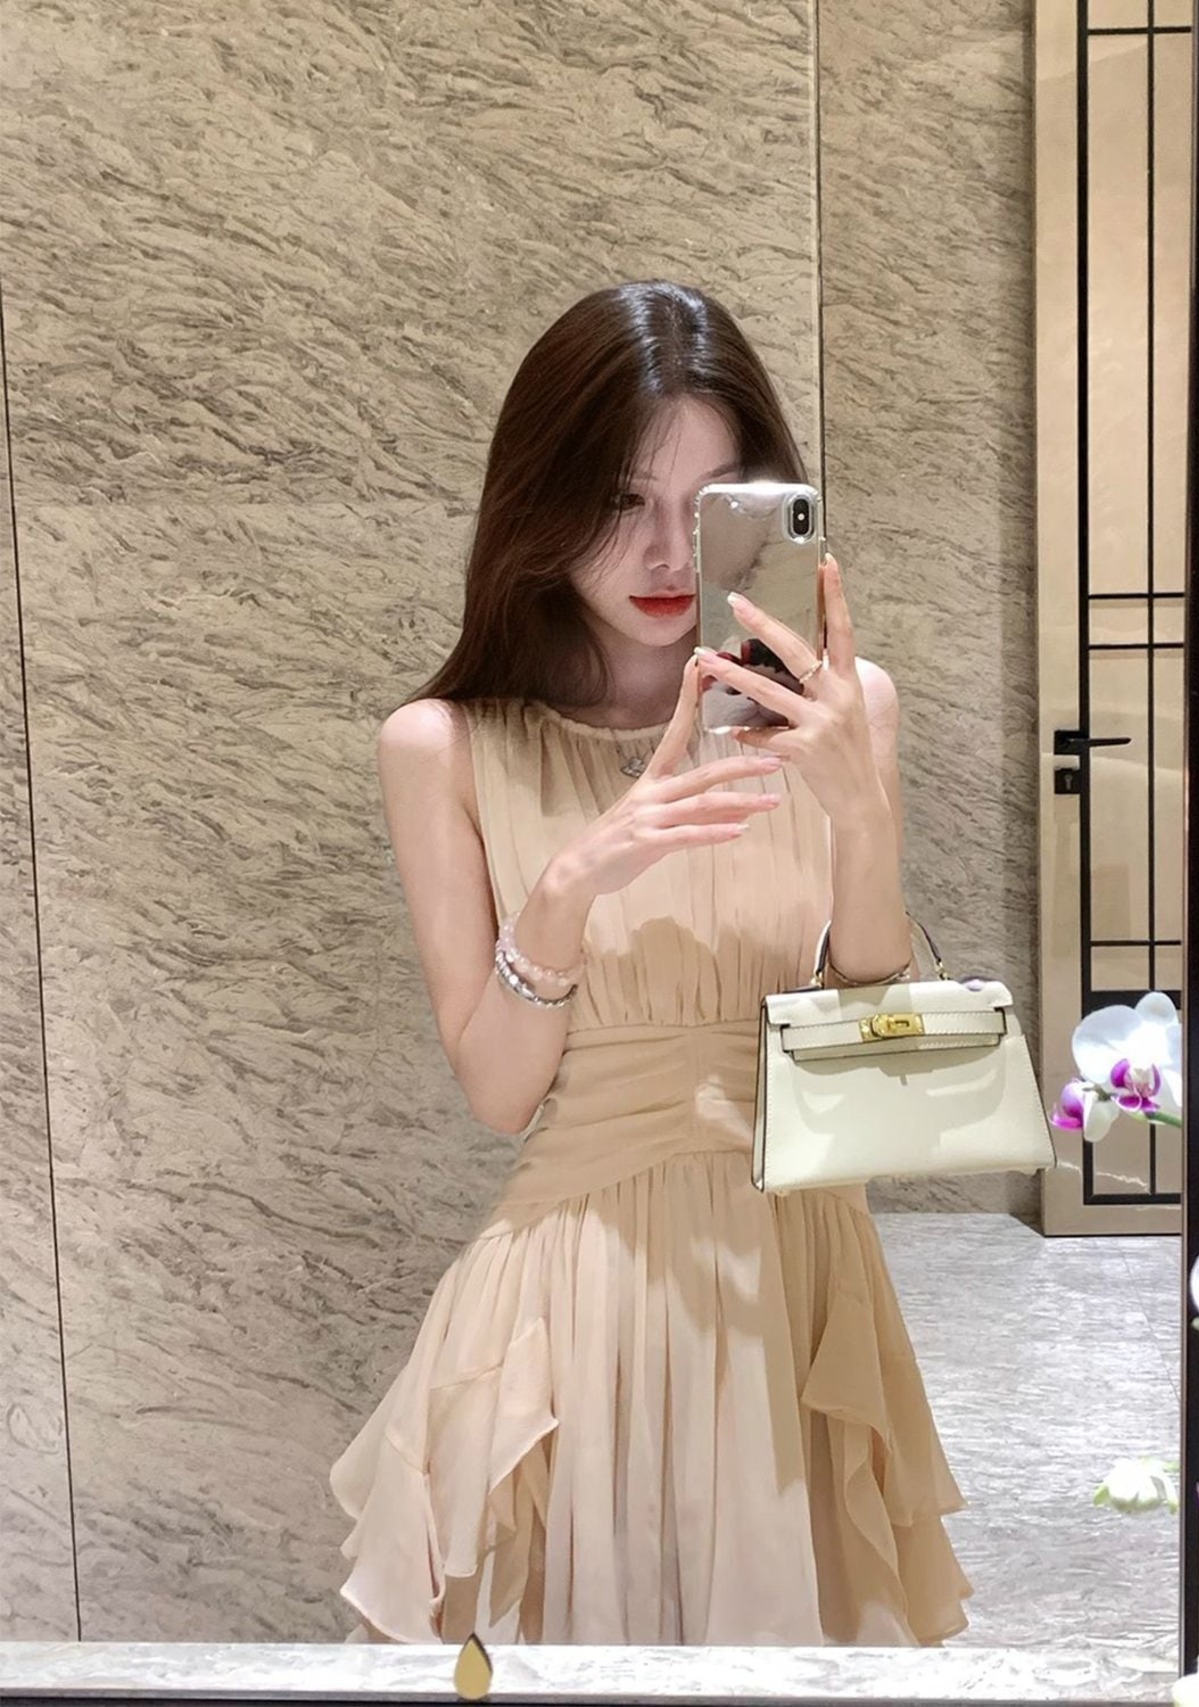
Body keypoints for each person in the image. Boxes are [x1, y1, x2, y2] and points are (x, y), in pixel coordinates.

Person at [330, 280, 971, 1647]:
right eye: (622, 501)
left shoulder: (845, 712)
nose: (670, 550)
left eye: (709, 502)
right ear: (538, 504)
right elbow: (500, 1094)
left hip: (793, 1284)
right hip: (577, 1303)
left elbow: (874, 1043)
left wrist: (859, 816)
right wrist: (571, 885)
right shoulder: (443, 748)